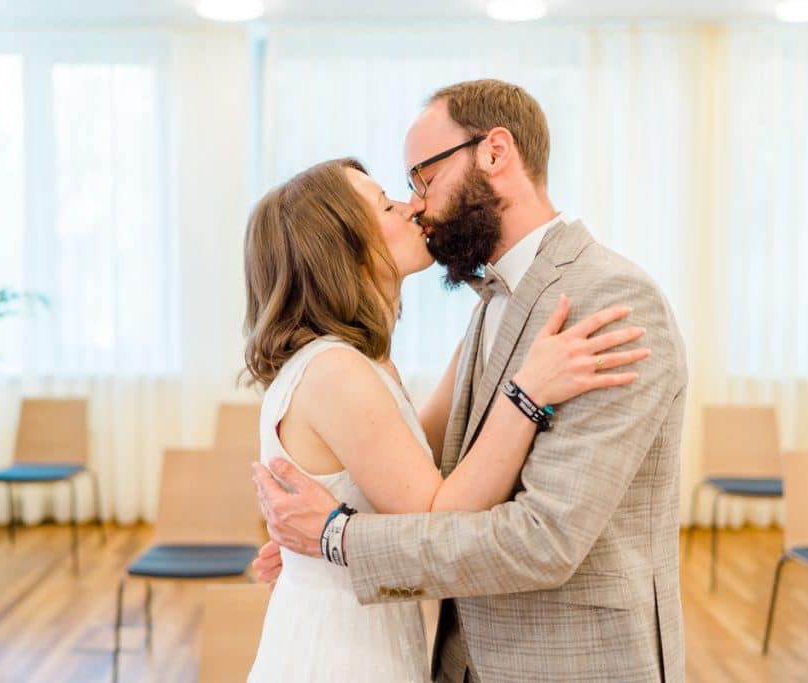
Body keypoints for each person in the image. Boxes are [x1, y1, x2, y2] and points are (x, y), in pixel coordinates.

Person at [252, 79, 688, 682]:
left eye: (424, 178)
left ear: (495, 153)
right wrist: (319, 550)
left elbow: (543, 539)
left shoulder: (609, 300)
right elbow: (426, 474)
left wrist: (339, 540)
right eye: (399, 194)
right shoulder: (489, 306)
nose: (416, 205)